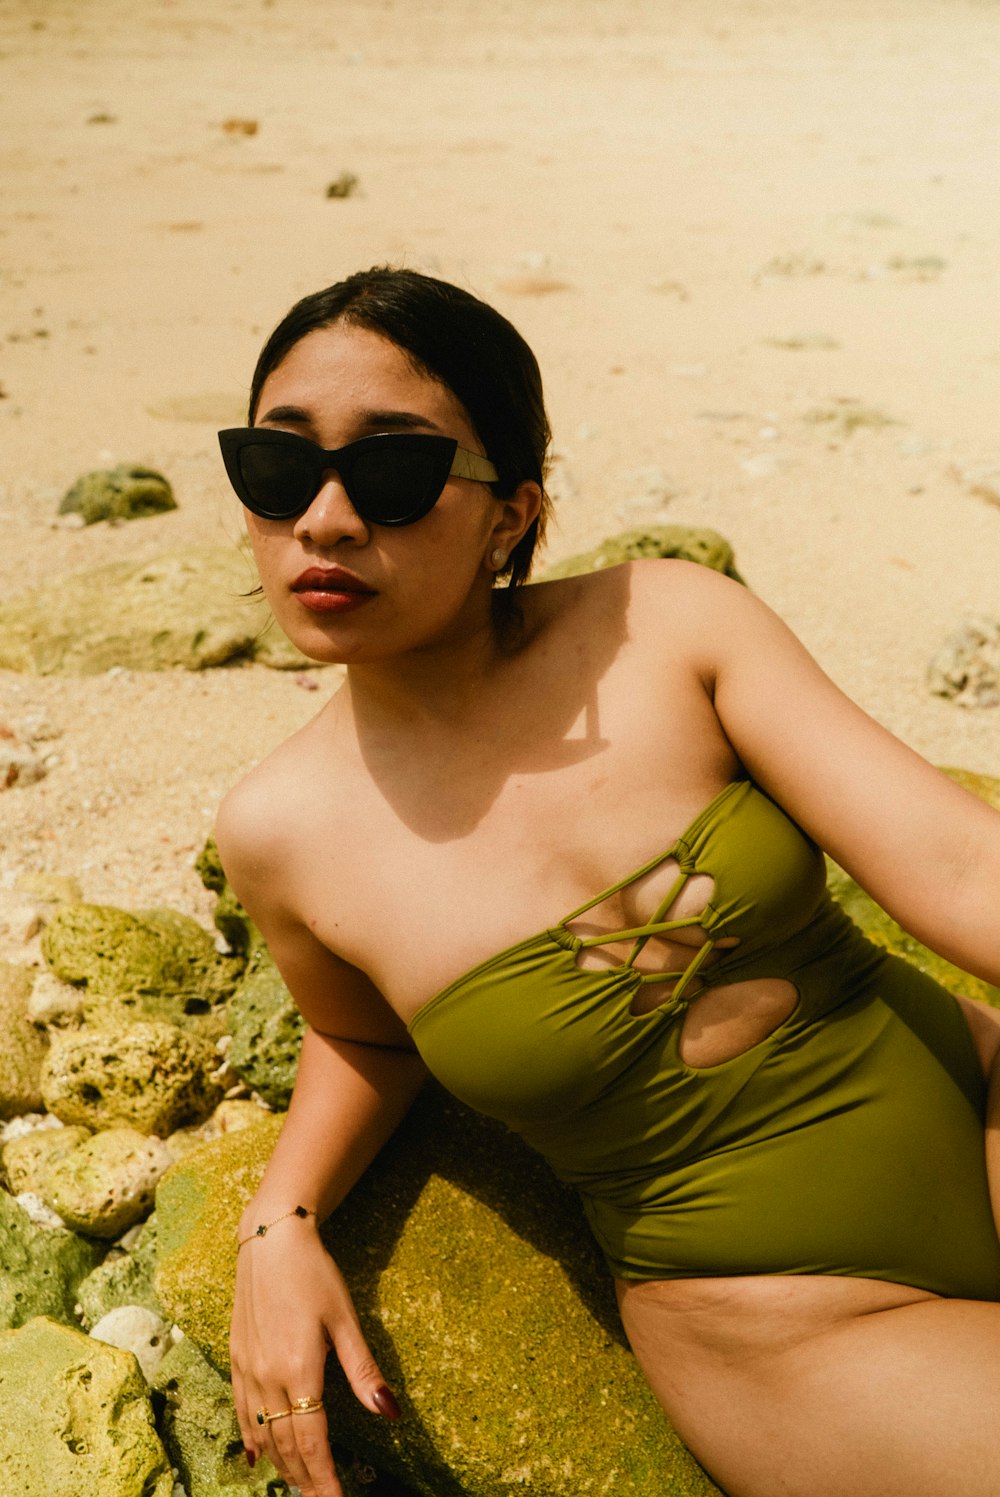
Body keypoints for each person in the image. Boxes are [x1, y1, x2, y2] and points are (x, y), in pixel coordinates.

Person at [215, 265, 1000, 1497]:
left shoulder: (668, 627)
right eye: (274, 469)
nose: (322, 520)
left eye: (392, 471)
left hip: (979, 1097)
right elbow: (361, 1035)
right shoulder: (282, 833)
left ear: (512, 512)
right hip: (787, 1327)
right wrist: (279, 1222)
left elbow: (959, 865)